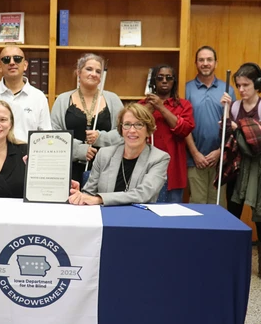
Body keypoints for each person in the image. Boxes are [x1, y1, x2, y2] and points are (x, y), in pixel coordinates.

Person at [221, 63, 261, 282]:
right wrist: (226, 117)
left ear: (258, 84)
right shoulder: (234, 107)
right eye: (238, 85)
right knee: (232, 211)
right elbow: (227, 138)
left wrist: (238, 128)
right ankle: (230, 257)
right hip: (238, 165)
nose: (241, 89)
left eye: (246, 85)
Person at [69, 103, 170, 206]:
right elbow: (89, 194)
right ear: (121, 129)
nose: (132, 130)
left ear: (148, 130)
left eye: (139, 124)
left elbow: (143, 194)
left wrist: (100, 199)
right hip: (105, 217)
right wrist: (79, 194)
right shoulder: (104, 154)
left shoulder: (159, 158)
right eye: (127, 124)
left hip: (139, 218)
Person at [51, 53, 124, 183]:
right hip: (68, 168)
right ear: (79, 72)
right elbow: (54, 135)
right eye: (89, 69)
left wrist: (101, 138)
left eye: (98, 71)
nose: (94, 74)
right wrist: (78, 150)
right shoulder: (62, 100)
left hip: (106, 168)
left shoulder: (113, 99)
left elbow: (124, 133)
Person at [185, 46, 236, 205]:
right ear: (196, 63)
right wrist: (195, 154)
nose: (205, 63)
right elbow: (183, 125)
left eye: (209, 60)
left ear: (216, 63)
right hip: (194, 160)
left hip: (220, 161)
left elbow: (233, 127)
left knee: (218, 207)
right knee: (198, 207)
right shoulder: (186, 88)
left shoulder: (227, 90)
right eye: (201, 60)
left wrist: (220, 152)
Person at [139, 64, 194, 203]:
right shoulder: (142, 105)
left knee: (172, 216)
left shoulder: (183, 105)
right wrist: (150, 108)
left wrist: (161, 107)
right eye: (160, 78)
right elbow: (133, 128)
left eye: (169, 78)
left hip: (173, 169)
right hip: (145, 168)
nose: (164, 81)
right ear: (154, 82)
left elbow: (185, 130)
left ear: (174, 81)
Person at [0, 46, 51, 142]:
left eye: (17, 59)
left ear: (25, 65)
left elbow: (45, 135)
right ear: (0, 67)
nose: (12, 62)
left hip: (27, 155)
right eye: (6, 59)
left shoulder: (39, 97)